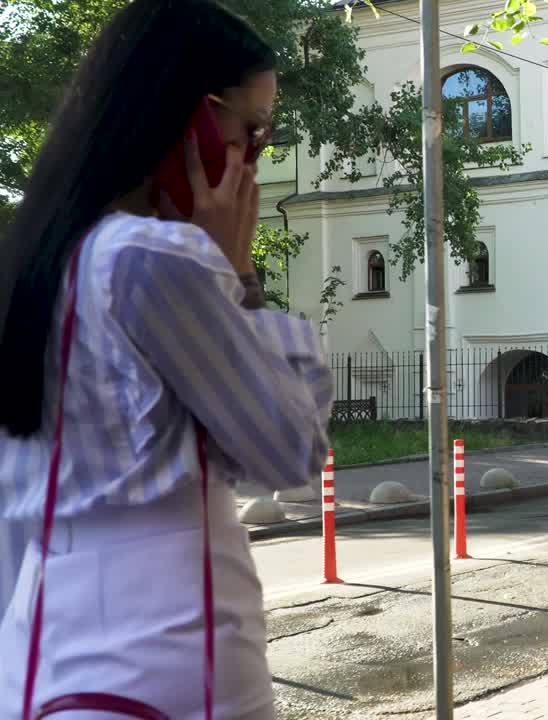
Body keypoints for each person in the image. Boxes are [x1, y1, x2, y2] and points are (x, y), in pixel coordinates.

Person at [0, 1, 333, 716]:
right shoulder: (154, 260)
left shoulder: (35, 266)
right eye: (253, 129)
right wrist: (238, 278)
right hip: (169, 652)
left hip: (39, 651)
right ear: (195, 120)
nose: (257, 155)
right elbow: (289, 450)